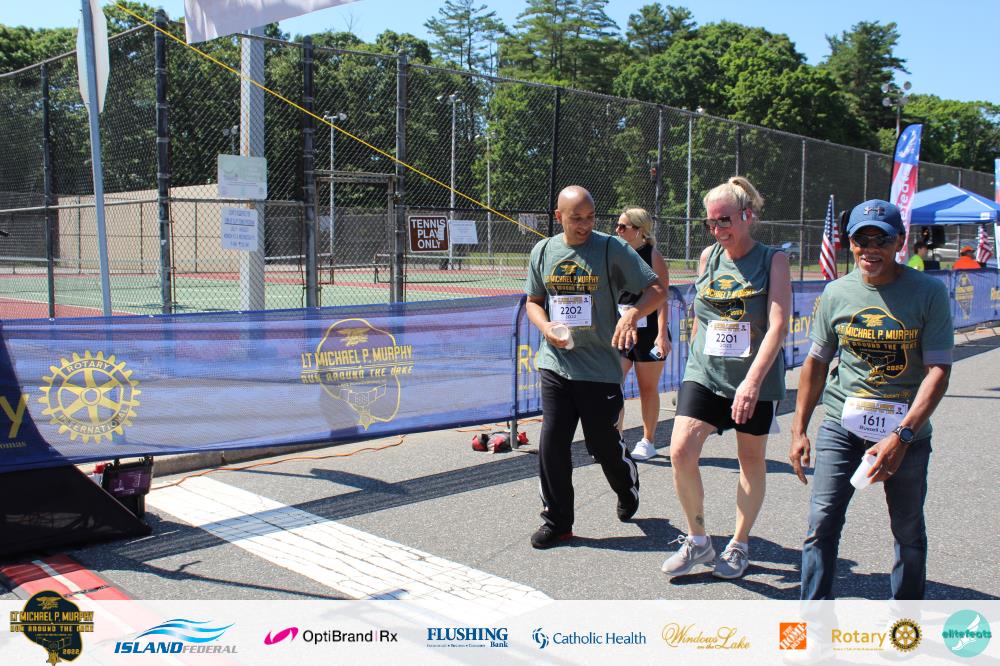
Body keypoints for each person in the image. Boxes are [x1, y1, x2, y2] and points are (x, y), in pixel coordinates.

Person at [789, 199, 952, 600]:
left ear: (900, 242)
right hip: (842, 427)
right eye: (862, 239)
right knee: (821, 525)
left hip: (906, 433)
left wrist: (902, 436)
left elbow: (938, 371)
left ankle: (906, 620)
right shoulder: (836, 292)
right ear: (850, 243)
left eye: (882, 240)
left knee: (907, 531)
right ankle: (815, 619)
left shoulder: (928, 293)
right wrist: (799, 429)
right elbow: (816, 362)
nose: (871, 249)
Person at [661, 176, 791, 579]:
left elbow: (778, 325)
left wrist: (752, 382)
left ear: (746, 215)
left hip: (754, 376)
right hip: (705, 371)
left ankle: (739, 543)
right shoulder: (708, 257)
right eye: (711, 222)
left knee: (749, 458)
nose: (718, 230)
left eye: (725, 220)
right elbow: (703, 315)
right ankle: (698, 540)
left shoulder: (773, 260)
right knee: (680, 450)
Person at [525, 186, 666, 549]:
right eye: (576, 218)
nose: (585, 225)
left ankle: (627, 484)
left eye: (590, 217)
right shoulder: (543, 251)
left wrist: (632, 314)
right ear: (558, 217)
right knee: (552, 444)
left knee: (601, 445)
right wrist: (545, 327)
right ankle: (557, 522)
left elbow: (657, 289)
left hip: (599, 367)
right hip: (556, 363)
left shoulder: (609, 248)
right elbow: (534, 301)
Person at [614, 207, 671, 460]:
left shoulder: (652, 256)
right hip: (622, 329)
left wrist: (662, 334)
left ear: (639, 231)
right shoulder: (617, 254)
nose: (617, 230)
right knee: (613, 382)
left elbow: (662, 296)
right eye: (617, 225)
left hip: (649, 332)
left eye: (623, 226)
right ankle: (615, 439)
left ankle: (648, 441)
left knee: (647, 387)